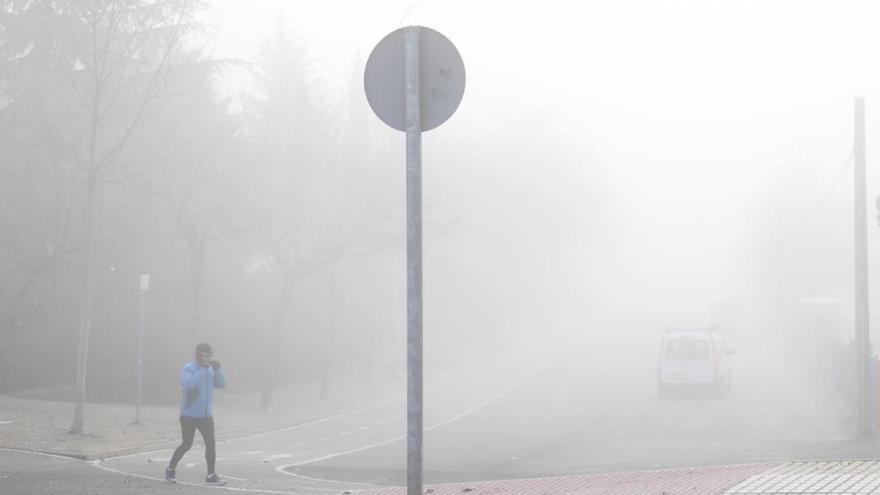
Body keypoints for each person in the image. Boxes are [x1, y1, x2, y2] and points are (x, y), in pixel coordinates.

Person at [165, 343, 226, 485]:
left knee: (211, 443)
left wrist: (217, 370)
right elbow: (188, 385)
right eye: (206, 355)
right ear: (198, 355)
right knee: (187, 444)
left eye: (211, 355)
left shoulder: (211, 369)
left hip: (206, 416)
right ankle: (171, 469)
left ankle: (211, 475)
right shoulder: (189, 368)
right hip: (189, 415)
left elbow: (221, 385)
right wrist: (202, 370)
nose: (209, 358)